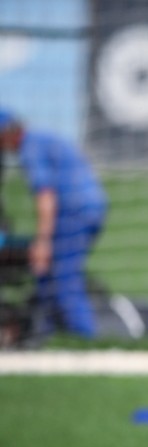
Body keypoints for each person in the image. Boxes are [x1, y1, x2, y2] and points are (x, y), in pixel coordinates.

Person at [0, 108, 108, 339]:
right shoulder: (43, 139)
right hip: (90, 208)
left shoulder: (30, 149)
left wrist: (42, 242)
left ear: (6, 133)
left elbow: (46, 198)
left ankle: (86, 339)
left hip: (73, 213)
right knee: (47, 277)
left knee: (64, 278)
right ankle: (44, 335)